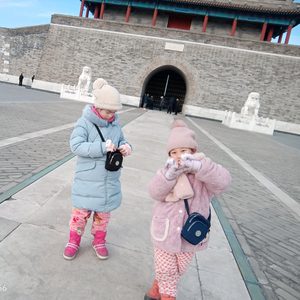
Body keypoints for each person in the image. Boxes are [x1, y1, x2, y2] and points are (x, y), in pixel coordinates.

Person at [144, 120, 231, 300]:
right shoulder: (167, 171)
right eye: (174, 152)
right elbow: (154, 192)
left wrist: (199, 168)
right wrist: (169, 177)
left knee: (179, 268)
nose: (178, 156)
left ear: (193, 151)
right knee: (166, 269)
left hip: (190, 233)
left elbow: (223, 182)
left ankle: (156, 288)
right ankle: (168, 295)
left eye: (183, 151)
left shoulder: (204, 170)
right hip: (166, 229)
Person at [63, 78, 132, 261]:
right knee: (79, 216)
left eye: (114, 112)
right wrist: (102, 147)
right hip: (87, 181)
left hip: (108, 182)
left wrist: (125, 146)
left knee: (103, 217)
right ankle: (73, 241)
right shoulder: (84, 122)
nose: (111, 115)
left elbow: (122, 139)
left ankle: (99, 241)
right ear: (98, 106)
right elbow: (76, 146)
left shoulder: (115, 123)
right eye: (108, 111)